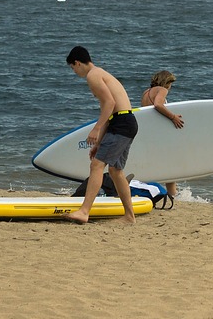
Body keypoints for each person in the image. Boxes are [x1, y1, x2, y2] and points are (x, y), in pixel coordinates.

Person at [63, 45, 138, 224]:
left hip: (121, 124)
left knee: (97, 166)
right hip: (125, 122)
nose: (74, 72)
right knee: (115, 171)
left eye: (73, 68)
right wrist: (99, 143)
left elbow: (109, 104)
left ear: (78, 63)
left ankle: (84, 211)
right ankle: (129, 216)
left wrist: (96, 130)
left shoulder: (93, 75)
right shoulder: (99, 73)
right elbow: (110, 112)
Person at [141, 69, 185, 199]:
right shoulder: (162, 90)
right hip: (159, 134)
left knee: (154, 163)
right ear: (167, 82)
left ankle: (150, 191)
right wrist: (173, 117)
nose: (170, 88)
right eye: (170, 84)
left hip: (148, 133)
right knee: (170, 163)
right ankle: (172, 194)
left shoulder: (146, 93)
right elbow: (158, 105)